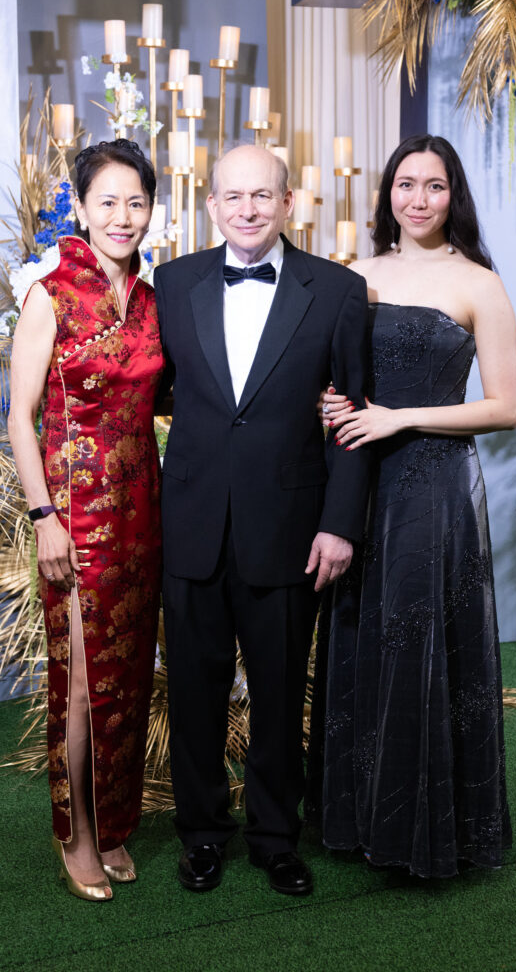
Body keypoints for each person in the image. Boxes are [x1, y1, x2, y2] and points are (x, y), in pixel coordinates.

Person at [153, 144, 371, 896]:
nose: (247, 209)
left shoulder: (339, 290)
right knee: (193, 693)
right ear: (210, 205)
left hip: (290, 523)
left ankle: (277, 838)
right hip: (189, 523)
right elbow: (152, 391)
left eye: (262, 196)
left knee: (280, 694)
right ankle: (202, 834)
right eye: (232, 196)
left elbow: (354, 417)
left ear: (288, 203)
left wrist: (340, 522)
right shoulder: (171, 282)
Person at [311, 134, 516, 878]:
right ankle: (357, 816)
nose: (419, 199)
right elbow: (336, 382)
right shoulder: (353, 277)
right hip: (359, 480)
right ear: (388, 194)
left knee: (418, 642)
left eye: (435, 186)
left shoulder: (478, 283)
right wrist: (336, 402)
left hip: (432, 486)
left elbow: (504, 408)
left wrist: (401, 417)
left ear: (452, 195)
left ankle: (426, 829)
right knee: (359, 634)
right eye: (407, 184)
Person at [8, 139, 164, 901]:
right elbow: (19, 416)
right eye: (108, 200)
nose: (123, 216)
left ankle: (113, 824)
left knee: (127, 681)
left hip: (143, 515)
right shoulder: (52, 290)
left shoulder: (152, 296)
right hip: (74, 516)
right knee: (80, 687)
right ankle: (75, 835)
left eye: (136, 201)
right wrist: (43, 516)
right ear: (79, 205)